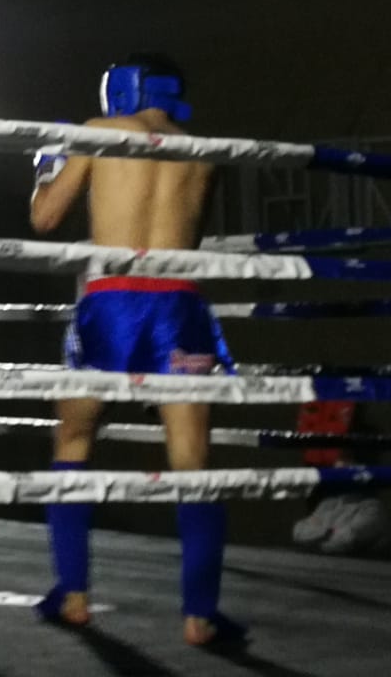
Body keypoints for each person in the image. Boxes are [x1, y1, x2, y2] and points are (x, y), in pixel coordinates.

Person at [29, 54, 244, 647]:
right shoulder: (204, 151)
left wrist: (47, 165)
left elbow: (45, 218)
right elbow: (190, 234)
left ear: (122, 89)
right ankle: (200, 614)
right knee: (193, 461)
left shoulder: (99, 132)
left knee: (74, 438)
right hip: (179, 305)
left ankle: (73, 594)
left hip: (113, 302)